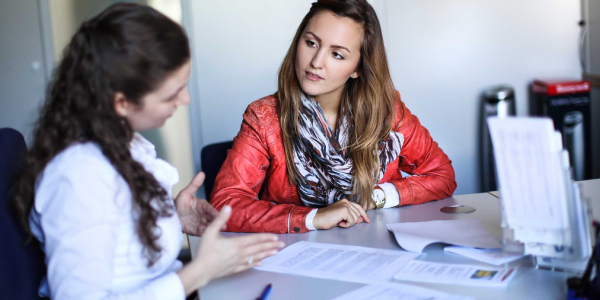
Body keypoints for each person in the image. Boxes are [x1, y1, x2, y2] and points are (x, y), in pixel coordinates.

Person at [11, 3, 283, 299]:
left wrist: (172, 219)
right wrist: (199, 272)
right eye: (172, 94)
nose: (186, 99)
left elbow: (116, 237)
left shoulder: (121, 141)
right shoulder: (78, 177)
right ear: (121, 103)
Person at [210, 0, 457, 233]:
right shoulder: (264, 118)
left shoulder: (387, 112)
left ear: (358, 68)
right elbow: (225, 204)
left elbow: (442, 176)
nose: (316, 62)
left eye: (337, 54)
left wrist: (376, 198)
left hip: (374, 247)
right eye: (311, 43)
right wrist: (314, 217)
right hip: (294, 258)